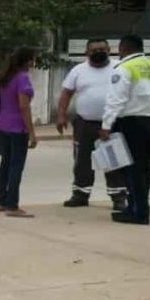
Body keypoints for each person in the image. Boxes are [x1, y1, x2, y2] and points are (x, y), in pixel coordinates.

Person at [99, 34, 150, 225]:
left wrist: (106, 125)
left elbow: (116, 100)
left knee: (131, 170)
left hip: (129, 123)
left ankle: (138, 212)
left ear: (123, 48)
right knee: (144, 169)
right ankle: (138, 207)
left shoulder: (124, 68)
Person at [56, 39, 127, 211]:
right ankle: (80, 195)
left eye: (102, 49)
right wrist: (61, 115)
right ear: (87, 53)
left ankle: (118, 198)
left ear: (110, 50)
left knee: (113, 161)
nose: (98, 52)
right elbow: (66, 93)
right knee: (82, 161)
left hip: (112, 124)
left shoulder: (120, 68)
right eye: (94, 50)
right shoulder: (78, 70)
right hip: (85, 123)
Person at [0, 47, 38, 218]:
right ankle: (12, 205)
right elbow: (23, 106)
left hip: (3, 125)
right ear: (27, 61)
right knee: (16, 167)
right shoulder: (22, 78)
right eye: (33, 59)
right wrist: (32, 133)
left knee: (5, 164)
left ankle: (2, 201)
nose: (34, 63)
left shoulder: (6, 78)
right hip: (18, 128)